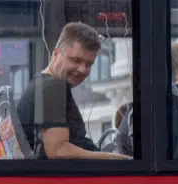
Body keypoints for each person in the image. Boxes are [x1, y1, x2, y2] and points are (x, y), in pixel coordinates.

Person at [16, 21, 127, 160]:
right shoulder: (52, 87)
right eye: (76, 60)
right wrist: (112, 158)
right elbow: (57, 150)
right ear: (56, 54)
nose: (83, 69)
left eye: (89, 64)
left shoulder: (41, 83)